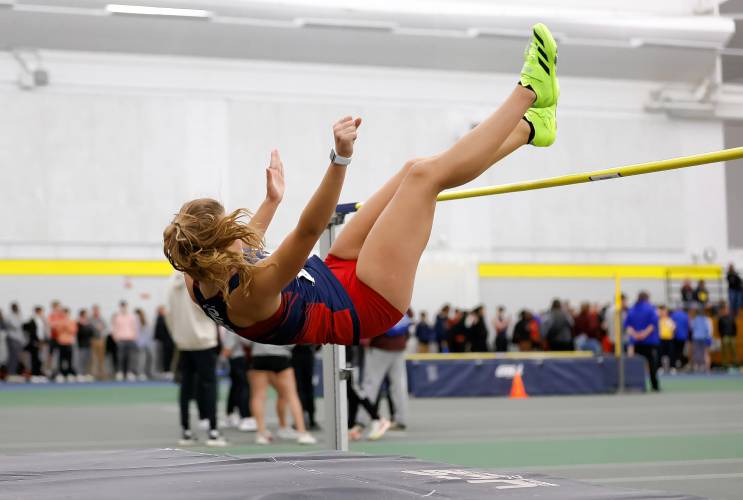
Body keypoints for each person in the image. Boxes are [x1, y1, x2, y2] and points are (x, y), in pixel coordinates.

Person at [162, 24, 559, 350]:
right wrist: (340, 158)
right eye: (233, 234)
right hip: (364, 304)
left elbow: (247, 245)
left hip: (332, 278)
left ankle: (533, 129)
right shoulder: (253, 292)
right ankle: (528, 92)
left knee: (413, 169)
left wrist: (271, 200)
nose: (243, 239)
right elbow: (309, 229)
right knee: (425, 179)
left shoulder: (197, 274)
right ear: (217, 251)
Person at [166, 272, 226, 447]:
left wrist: (177, 336)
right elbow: (210, 307)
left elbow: (169, 315)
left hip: (184, 342)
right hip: (205, 341)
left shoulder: (171, 283)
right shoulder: (199, 278)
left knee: (185, 387)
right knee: (209, 386)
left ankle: (185, 431)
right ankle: (213, 432)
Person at [248, 343, 316, 445]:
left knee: (259, 396)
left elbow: (245, 340)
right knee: (291, 395)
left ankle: (262, 433)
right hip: (281, 357)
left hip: (259, 356)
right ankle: (302, 432)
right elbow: (293, 338)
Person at [221, 328, 256, 431]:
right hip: (239, 358)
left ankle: (230, 414)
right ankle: (245, 417)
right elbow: (246, 342)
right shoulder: (236, 325)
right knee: (244, 387)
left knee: (236, 387)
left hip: (235, 358)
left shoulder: (232, 324)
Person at [625, 291, 660, 391]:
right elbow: (653, 325)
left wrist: (636, 335)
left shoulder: (632, 310)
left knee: (636, 365)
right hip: (649, 342)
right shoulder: (651, 309)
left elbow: (627, 326)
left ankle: (637, 385)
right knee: (652, 365)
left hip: (636, 342)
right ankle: (654, 385)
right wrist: (643, 334)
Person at [291, 344, 319, 431]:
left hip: (296, 353)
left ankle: (301, 420)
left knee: (299, 388)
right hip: (308, 352)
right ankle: (311, 420)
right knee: (308, 388)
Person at [111, 301, 139, 381]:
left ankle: (129, 372)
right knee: (120, 357)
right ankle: (120, 372)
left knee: (130, 357)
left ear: (127, 306)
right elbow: (114, 327)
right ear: (120, 307)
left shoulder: (132, 316)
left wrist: (135, 336)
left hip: (130, 338)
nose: (123, 308)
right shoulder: (117, 316)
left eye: (125, 306)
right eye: (122, 306)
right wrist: (115, 337)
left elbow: (135, 327)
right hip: (120, 339)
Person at [23, 306, 48, 381]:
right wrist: (35, 341)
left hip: (42, 342)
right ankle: (34, 374)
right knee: (35, 358)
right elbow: (28, 330)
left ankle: (39, 373)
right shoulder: (32, 320)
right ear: (37, 311)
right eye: (40, 311)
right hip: (35, 342)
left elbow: (43, 332)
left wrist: (43, 341)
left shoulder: (43, 320)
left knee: (41, 359)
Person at [55, 308, 78, 382]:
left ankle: (69, 373)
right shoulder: (59, 321)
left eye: (66, 313)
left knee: (69, 359)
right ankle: (61, 374)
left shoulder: (72, 321)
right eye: (64, 313)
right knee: (61, 359)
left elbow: (73, 331)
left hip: (69, 342)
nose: (65, 314)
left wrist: (66, 327)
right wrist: (62, 326)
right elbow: (57, 331)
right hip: (61, 342)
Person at [5, 303, 26, 381]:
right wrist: (18, 317)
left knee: (18, 357)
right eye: (15, 307)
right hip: (12, 338)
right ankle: (11, 374)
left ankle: (15, 373)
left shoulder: (19, 315)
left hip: (18, 339)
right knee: (12, 357)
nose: (16, 309)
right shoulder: (9, 316)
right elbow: (15, 325)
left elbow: (21, 325)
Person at [135, 308, 157, 380]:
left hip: (149, 343)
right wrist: (138, 342)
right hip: (140, 343)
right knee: (142, 359)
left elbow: (149, 332)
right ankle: (140, 373)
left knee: (152, 358)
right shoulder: (135, 322)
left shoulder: (146, 320)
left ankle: (150, 372)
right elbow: (136, 334)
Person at [689, 306, 711, 373]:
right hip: (704, 337)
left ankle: (696, 366)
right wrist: (708, 337)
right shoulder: (706, 319)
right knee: (705, 353)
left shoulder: (694, 320)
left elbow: (691, 328)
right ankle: (706, 367)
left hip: (696, 338)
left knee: (696, 352)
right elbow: (708, 329)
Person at [154, 306, 175, 376]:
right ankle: (165, 370)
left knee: (168, 356)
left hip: (168, 341)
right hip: (163, 341)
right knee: (163, 356)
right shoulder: (159, 319)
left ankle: (168, 370)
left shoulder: (167, 318)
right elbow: (158, 331)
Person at [89, 305, 108, 380]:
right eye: (94, 310)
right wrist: (95, 327)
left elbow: (105, 327)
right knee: (93, 358)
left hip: (101, 340)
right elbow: (89, 328)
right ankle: (93, 374)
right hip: (93, 340)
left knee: (101, 358)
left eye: (97, 310)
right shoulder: (90, 319)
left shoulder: (101, 319)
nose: (96, 312)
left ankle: (101, 374)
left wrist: (101, 328)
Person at [76, 309, 95, 381]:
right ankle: (80, 374)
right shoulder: (78, 323)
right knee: (81, 360)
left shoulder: (89, 324)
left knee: (88, 360)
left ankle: (87, 374)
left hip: (89, 344)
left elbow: (92, 333)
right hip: (81, 344)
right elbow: (79, 334)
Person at [718, 302, 738, 370]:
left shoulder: (731, 318)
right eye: (725, 310)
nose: (726, 311)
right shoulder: (721, 319)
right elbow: (719, 328)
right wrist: (722, 336)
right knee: (725, 351)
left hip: (732, 336)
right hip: (725, 336)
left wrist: (734, 335)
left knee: (734, 351)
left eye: (727, 310)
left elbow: (735, 327)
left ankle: (735, 364)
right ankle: (725, 365)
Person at [669, 307, 690, 371]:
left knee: (674, 352)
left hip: (675, 336)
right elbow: (688, 326)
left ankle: (674, 366)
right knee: (681, 351)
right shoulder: (686, 316)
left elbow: (671, 326)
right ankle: (681, 364)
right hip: (683, 337)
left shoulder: (673, 315)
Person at [657, 305, 676, 374]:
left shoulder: (670, 320)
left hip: (669, 339)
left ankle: (672, 367)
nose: (664, 313)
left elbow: (674, 328)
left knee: (671, 354)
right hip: (661, 339)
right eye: (662, 311)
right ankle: (660, 367)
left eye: (665, 311)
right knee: (659, 354)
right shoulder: (658, 320)